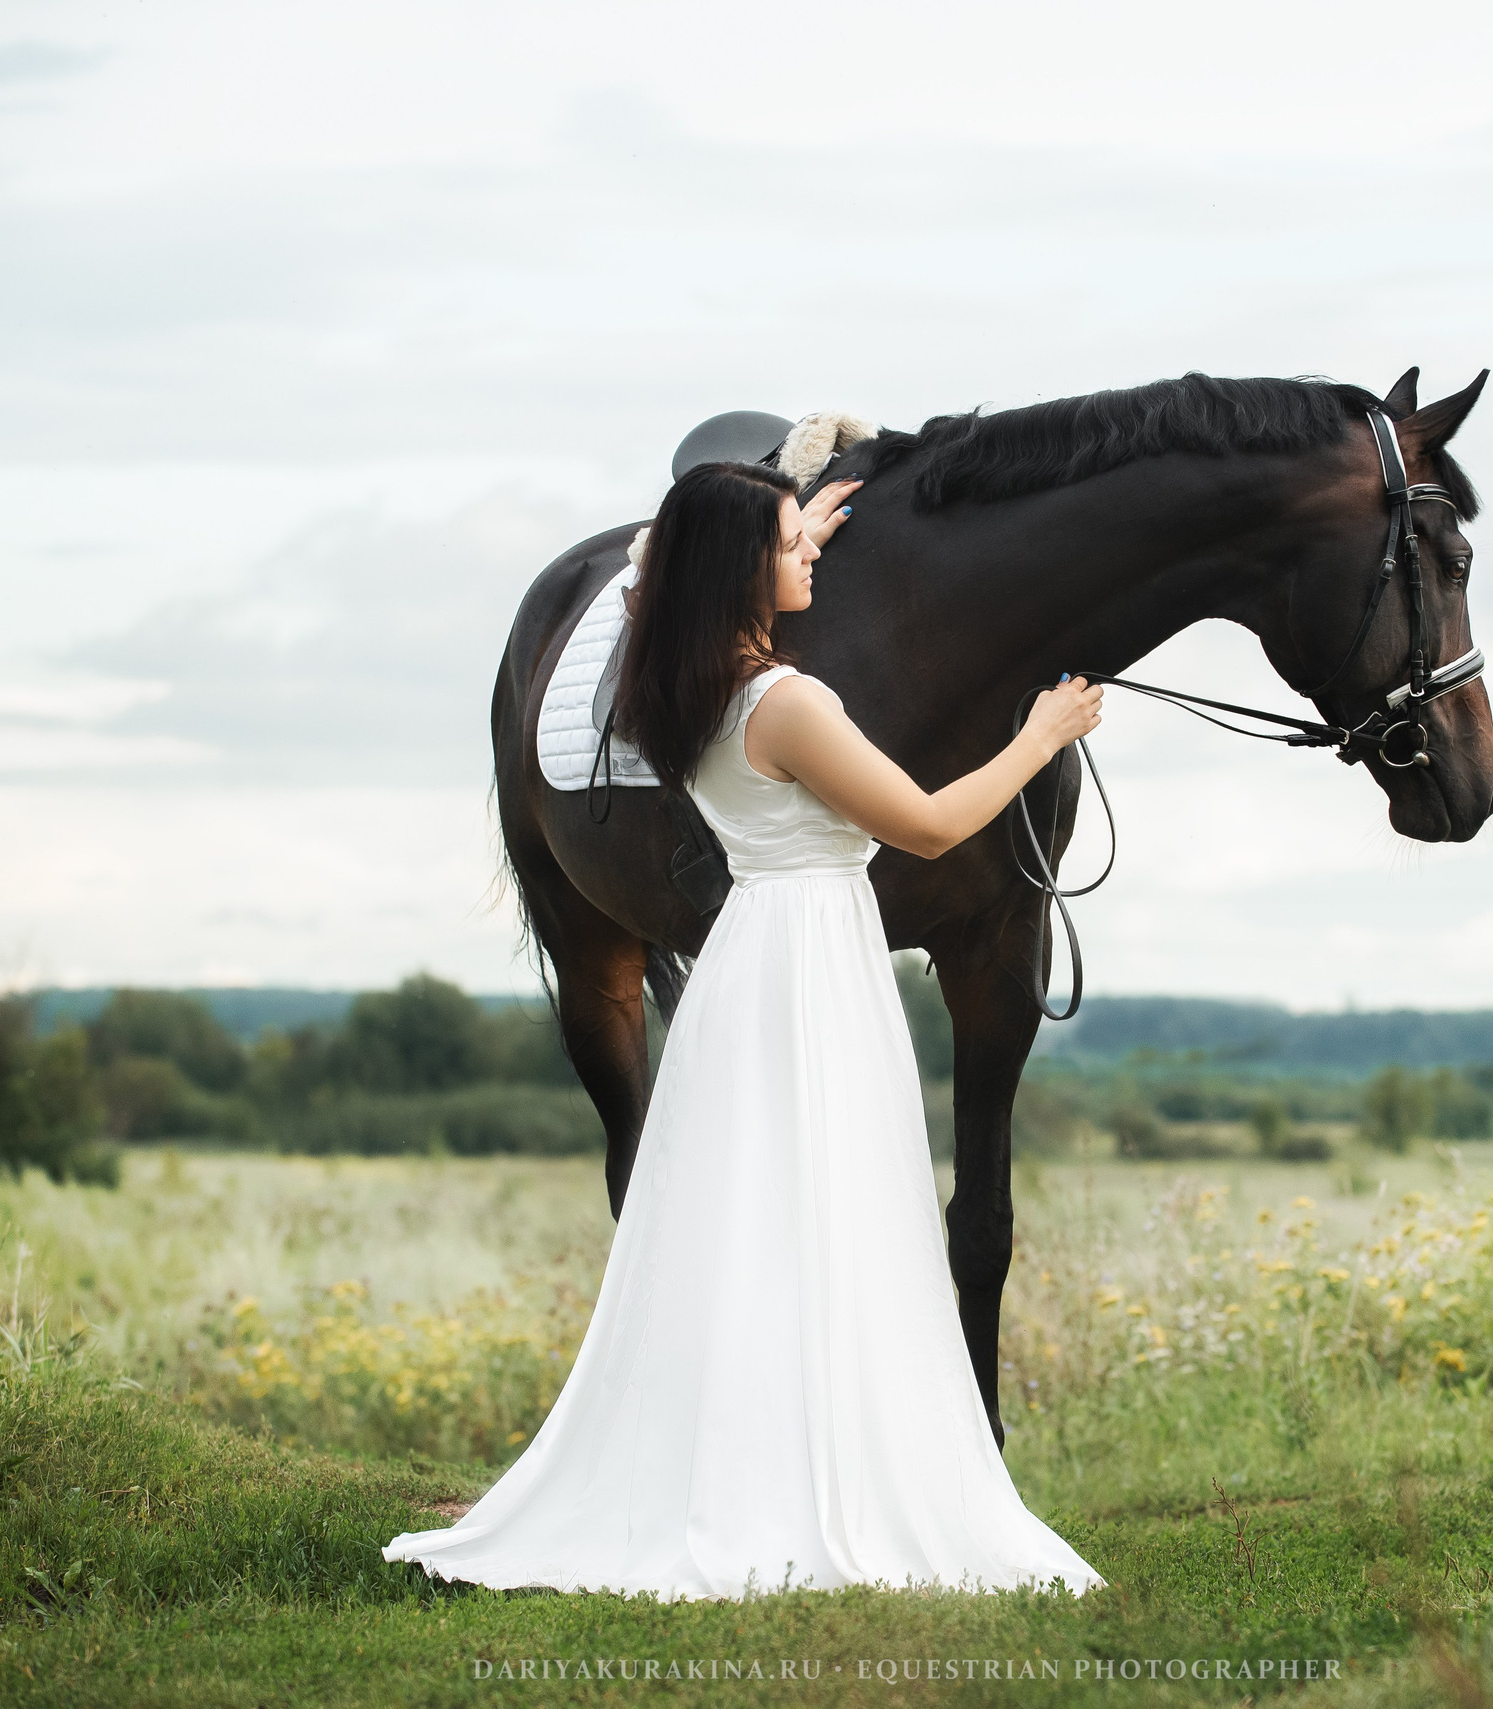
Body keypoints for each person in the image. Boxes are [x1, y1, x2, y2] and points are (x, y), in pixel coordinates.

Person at [382, 460, 1105, 1599]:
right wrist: (1042, 735)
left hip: (749, 960)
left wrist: (775, 525)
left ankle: (749, 1459)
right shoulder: (787, 703)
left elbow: (646, 576)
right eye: (792, 542)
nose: (815, 551)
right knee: (832, 1206)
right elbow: (926, 827)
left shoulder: (680, 679)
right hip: (813, 963)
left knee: (755, 1216)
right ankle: (828, 1475)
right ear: (737, 570)